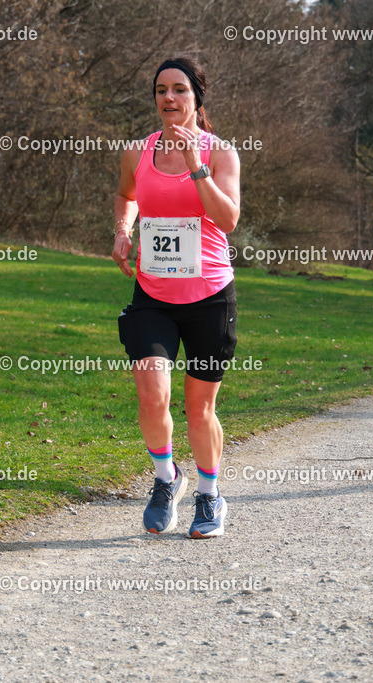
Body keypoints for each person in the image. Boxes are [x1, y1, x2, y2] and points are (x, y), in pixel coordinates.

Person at [111, 56, 240, 538]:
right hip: (153, 294)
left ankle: (209, 494)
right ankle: (167, 479)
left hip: (209, 297)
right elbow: (127, 195)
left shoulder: (220, 154)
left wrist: (195, 166)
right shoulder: (137, 152)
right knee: (151, 396)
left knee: (199, 409)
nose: (169, 98)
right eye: (161, 90)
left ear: (196, 98)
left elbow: (228, 220)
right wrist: (123, 230)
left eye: (180, 89)